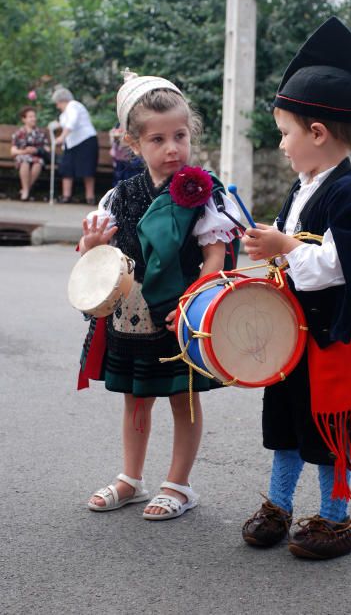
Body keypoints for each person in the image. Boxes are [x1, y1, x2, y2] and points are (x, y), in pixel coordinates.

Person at [241, 17, 351, 559]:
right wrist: (267, 249)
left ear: (318, 134)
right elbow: (290, 250)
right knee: (283, 423)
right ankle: (278, 506)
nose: (280, 144)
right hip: (292, 335)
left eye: (285, 132)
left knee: (326, 431)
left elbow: (337, 265)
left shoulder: (350, 194)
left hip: (329, 337)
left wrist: (284, 247)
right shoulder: (304, 187)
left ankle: (334, 520)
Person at [78, 70, 241, 520]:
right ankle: (131, 478)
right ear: (133, 144)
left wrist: (197, 298)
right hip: (132, 318)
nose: (172, 148)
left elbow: (216, 252)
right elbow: (98, 255)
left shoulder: (204, 194)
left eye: (180, 135)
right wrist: (92, 245)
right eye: (158, 139)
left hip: (181, 314)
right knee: (136, 396)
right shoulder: (119, 196)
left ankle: (180, 484)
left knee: (183, 395)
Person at [51, 87, 99, 204]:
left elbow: (72, 122)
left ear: (63, 100)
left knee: (87, 169)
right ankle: (66, 196)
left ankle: (90, 197)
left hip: (85, 141)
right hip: (71, 144)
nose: (57, 106)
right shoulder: (64, 113)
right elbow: (64, 123)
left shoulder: (73, 105)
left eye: (57, 103)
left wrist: (62, 137)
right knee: (67, 167)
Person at [10, 106, 50, 201]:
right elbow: (13, 151)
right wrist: (25, 151)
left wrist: (36, 150)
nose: (34, 119)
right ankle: (26, 191)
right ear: (24, 119)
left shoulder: (40, 133)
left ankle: (24, 190)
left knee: (38, 163)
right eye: (30, 117)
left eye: (34, 116)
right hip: (22, 157)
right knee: (25, 162)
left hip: (37, 157)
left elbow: (47, 149)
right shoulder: (19, 133)